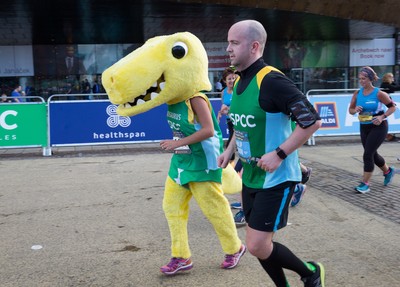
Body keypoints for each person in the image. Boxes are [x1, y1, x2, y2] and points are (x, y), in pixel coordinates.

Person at [218, 20, 324, 287]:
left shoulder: (272, 80)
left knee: (256, 244)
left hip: (276, 178)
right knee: (260, 245)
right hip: (252, 176)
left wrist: (279, 153)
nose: (228, 48)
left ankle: (310, 272)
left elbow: (311, 121)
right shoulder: (240, 80)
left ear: (254, 46)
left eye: (234, 42)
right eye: (228, 41)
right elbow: (237, 123)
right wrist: (229, 151)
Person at [159, 85, 245, 275]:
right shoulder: (171, 99)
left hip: (203, 162)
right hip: (182, 161)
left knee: (214, 209)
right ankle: (181, 257)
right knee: (171, 207)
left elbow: (208, 130)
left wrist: (177, 143)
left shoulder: (195, 98)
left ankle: (235, 248)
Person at [349, 66, 397, 193]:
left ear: (370, 79)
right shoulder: (357, 93)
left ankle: (365, 184)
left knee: (367, 154)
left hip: (379, 126)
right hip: (364, 126)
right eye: (360, 79)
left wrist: (382, 117)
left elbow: (392, 107)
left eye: (364, 78)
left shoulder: (379, 93)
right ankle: (388, 171)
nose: (361, 81)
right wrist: (356, 110)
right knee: (373, 154)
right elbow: (350, 110)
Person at [217, 67, 237, 161]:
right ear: (225, 81)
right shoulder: (223, 93)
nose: (232, 80)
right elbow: (223, 107)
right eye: (229, 79)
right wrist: (222, 112)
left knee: (235, 139)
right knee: (232, 137)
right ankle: (230, 160)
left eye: (233, 78)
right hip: (230, 120)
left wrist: (229, 109)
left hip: (238, 119)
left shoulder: (237, 90)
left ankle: (229, 159)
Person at [380, 72, 400, 141]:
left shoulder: (390, 84)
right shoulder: (384, 84)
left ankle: (391, 135)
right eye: (391, 77)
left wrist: (393, 81)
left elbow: (396, 85)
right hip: (386, 105)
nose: (393, 79)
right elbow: (395, 88)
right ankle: (388, 135)